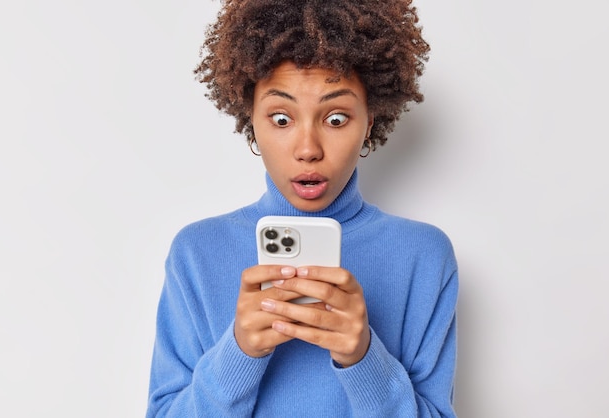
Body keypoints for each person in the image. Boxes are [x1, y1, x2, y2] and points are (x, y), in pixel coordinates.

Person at [146, 0, 458, 416]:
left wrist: (364, 358)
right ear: (250, 119)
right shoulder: (197, 253)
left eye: (335, 119)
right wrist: (238, 353)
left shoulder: (424, 255)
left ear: (369, 122)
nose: (308, 150)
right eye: (280, 119)